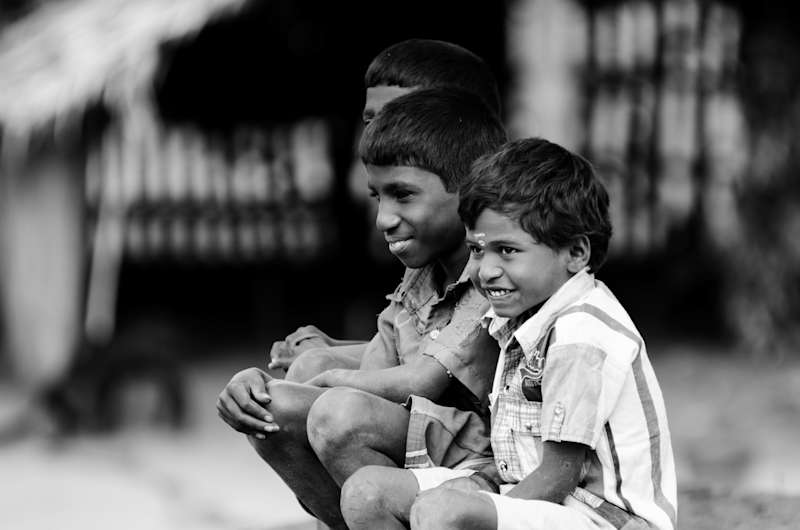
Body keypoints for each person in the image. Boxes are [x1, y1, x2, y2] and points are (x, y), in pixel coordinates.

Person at [339, 137, 677, 530]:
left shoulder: (580, 336)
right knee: (367, 493)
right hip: (533, 497)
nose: (485, 271)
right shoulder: (521, 315)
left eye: (508, 251)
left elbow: (556, 477)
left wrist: (475, 505)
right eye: (478, 251)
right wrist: (474, 488)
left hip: (602, 518)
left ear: (575, 253)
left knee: (443, 513)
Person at [217, 87, 507, 529]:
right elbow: (378, 364)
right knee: (267, 408)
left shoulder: (490, 273)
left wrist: (327, 378)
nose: (383, 219)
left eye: (403, 195)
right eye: (377, 198)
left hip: (484, 457)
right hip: (432, 435)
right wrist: (256, 385)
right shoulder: (420, 276)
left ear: (467, 191)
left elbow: (422, 381)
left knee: (340, 414)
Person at [269, 38, 502, 383]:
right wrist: (329, 350)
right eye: (371, 121)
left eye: (398, 118)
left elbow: (436, 370)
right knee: (309, 368)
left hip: (468, 426)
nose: (379, 135)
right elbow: (419, 346)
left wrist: (331, 374)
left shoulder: (497, 253)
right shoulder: (428, 254)